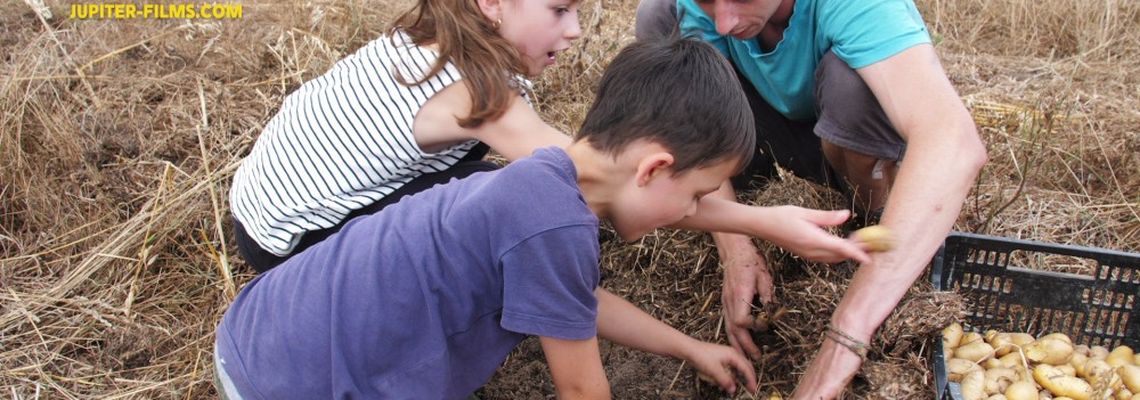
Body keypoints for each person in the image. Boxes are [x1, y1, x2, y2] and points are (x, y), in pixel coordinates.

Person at [214, 36, 767, 399]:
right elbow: (582, 392)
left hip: (255, 332)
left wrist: (690, 348)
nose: (694, 212)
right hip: (290, 383)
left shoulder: (524, 183)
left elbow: (576, 303)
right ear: (654, 168)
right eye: (696, 194)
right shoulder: (557, 227)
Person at [634, 0, 988, 397]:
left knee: (850, 84)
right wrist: (737, 249)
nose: (724, 21)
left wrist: (847, 333)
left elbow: (953, 142)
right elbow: (693, 127)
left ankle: (869, 218)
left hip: (846, 148)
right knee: (661, 19)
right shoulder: (697, 10)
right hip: (759, 138)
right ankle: (755, 200)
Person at [228, 0, 581, 272]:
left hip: (255, 212)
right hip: (293, 246)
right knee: (489, 197)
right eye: (559, 10)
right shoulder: (476, 90)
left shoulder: (428, 39)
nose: (575, 30)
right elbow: (578, 169)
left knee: (470, 188)